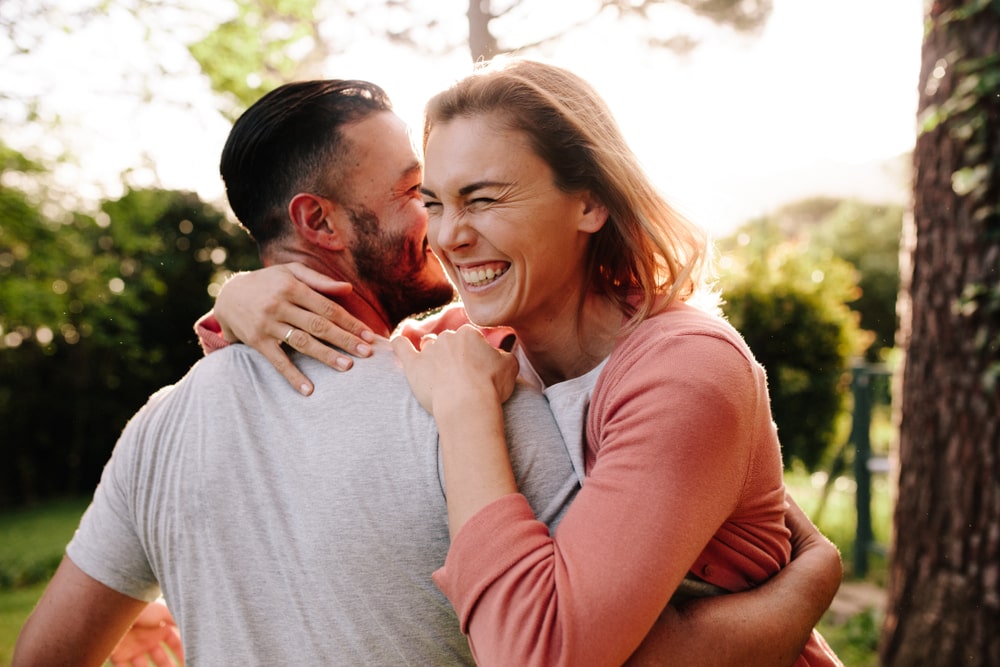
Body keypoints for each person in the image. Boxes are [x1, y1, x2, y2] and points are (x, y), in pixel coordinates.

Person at [13, 77, 839, 667]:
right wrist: (236, 296)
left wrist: (803, 586)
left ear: (589, 201)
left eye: (474, 197)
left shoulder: (660, 366)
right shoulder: (465, 365)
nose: (442, 233)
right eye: (426, 197)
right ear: (318, 222)